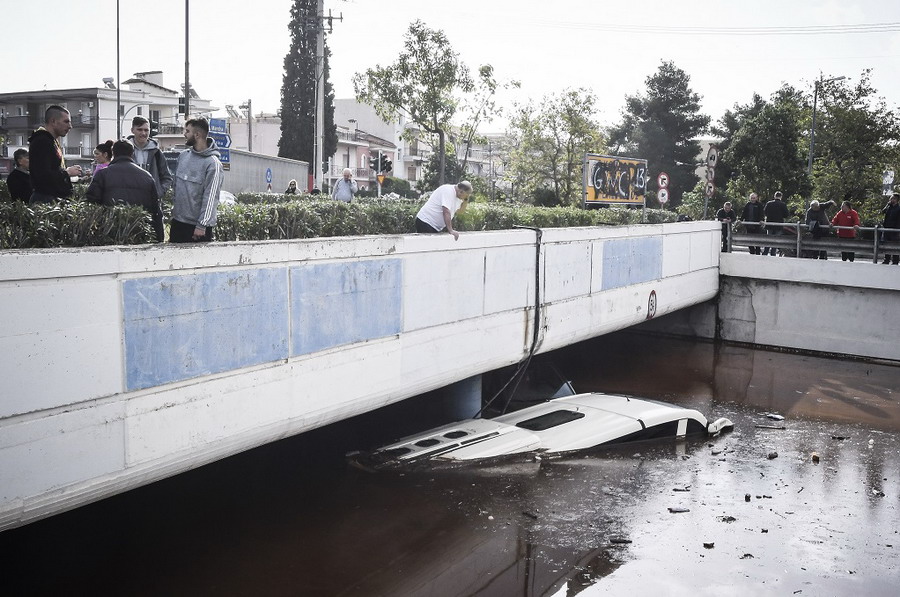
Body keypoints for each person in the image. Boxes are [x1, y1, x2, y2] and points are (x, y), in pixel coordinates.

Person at [85, 141, 164, 242]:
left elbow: (91, 203)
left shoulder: (102, 174)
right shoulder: (147, 177)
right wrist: (159, 240)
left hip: (110, 232)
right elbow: (156, 211)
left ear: (113, 153)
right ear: (132, 153)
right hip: (139, 233)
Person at [170, 117, 223, 243]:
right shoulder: (183, 156)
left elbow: (211, 197)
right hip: (178, 224)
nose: (184, 134)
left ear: (197, 135)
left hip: (198, 229)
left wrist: (202, 225)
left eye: (187, 131)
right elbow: (176, 188)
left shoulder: (213, 164)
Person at [27, 105, 83, 203]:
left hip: (50, 198)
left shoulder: (50, 141)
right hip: (46, 200)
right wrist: (67, 173)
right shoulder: (42, 141)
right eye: (66, 121)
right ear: (53, 121)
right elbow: (42, 175)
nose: (70, 126)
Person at [128, 116, 173, 199]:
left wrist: (159, 192)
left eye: (146, 130)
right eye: (140, 129)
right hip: (129, 203)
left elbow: (167, 178)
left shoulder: (157, 152)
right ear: (132, 130)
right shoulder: (124, 151)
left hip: (151, 202)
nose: (143, 133)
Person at [762, 191, 789, 256]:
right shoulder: (783, 204)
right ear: (781, 197)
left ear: (774, 196)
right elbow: (786, 215)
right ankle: (773, 252)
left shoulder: (769, 203)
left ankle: (765, 252)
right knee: (775, 239)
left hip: (769, 224)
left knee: (769, 239)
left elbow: (765, 212)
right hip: (778, 225)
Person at [881, 193, 900, 265]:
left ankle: (895, 260)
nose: (891, 200)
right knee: (887, 244)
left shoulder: (898, 209)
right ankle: (887, 259)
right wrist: (887, 205)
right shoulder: (889, 207)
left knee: (894, 245)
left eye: (892, 198)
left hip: (894, 230)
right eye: (891, 198)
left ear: (896, 200)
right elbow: (882, 212)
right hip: (887, 229)